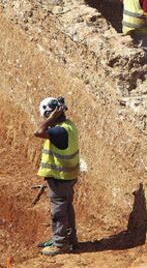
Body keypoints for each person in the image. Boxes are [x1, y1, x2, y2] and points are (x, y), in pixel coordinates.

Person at [34, 97, 79, 256]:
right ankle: (69, 239)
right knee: (67, 207)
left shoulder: (59, 131)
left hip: (60, 178)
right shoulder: (69, 125)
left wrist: (51, 119)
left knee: (58, 211)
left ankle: (60, 244)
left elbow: (38, 132)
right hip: (67, 176)